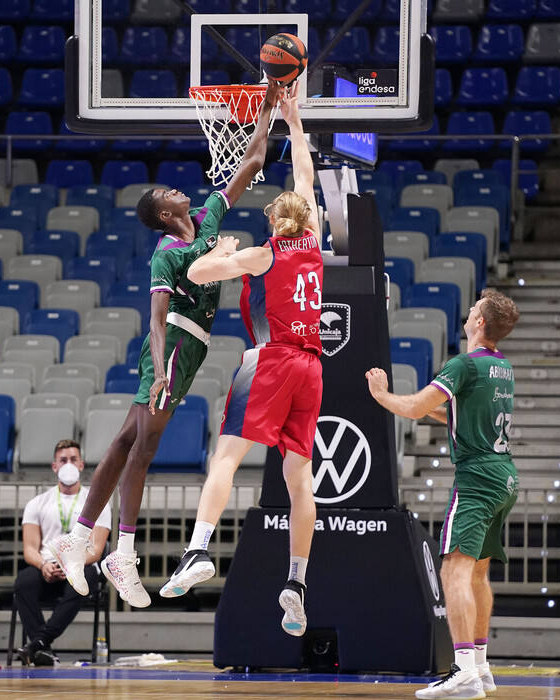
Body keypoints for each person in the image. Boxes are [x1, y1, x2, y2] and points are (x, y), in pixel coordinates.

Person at [53, 79, 283, 608]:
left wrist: (270, 104)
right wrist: (160, 370)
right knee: (145, 445)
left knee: (125, 442)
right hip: (174, 345)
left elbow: (249, 162)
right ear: (162, 213)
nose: (178, 190)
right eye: (167, 194)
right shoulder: (165, 252)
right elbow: (156, 320)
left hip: (192, 348)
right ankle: (122, 553)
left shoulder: (205, 219)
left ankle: (79, 534)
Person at [158, 84, 322, 637]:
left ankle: (198, 549)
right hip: (312, 368)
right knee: (301, 481)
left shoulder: (262, 254)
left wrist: (222, 252)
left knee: (225, 457)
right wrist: (296, 124)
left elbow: (197, 275)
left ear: (275, 222)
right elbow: (305, 177)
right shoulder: (315, 244)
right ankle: (296, 583)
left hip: (272, 360)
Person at [365, 289, 520, 700]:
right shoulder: (500, 367)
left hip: (477, 478)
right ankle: (482, 667)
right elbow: (454, 412)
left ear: (480, 323)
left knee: (453, 569)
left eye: (472, 311)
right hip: (504, 476)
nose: (467, 314)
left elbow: (417, 408)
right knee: (478, 573)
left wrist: (382, 396)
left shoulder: (464, 364)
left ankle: (464, 669)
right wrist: (408, 403)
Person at [13, 439, 112, 665]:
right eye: (63, 460)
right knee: (23, 583)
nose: (68, 464)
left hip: (82, 565)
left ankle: (37, 644)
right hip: (48, 566)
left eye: (73, 459)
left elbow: (96, 550)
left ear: (81, 465)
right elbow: (30, 548)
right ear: (54, 466)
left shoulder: (98, 503)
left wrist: (72, 565)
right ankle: (42, 650)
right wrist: (43, 565)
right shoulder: (37, 503)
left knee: (84, 580)